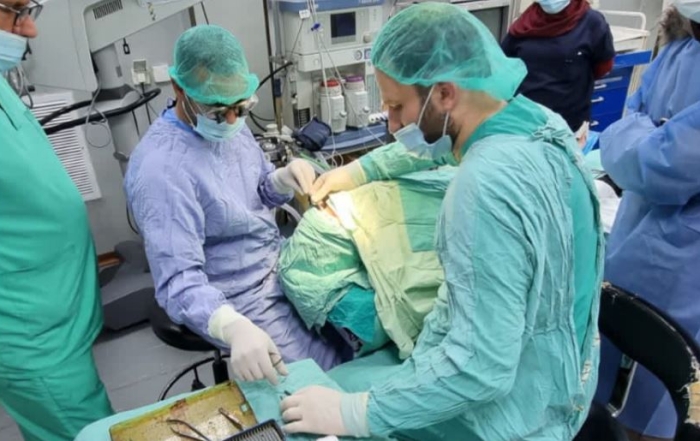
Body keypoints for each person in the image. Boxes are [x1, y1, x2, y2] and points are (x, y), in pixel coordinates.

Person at [278, 3, 605, 440]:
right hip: (561, 379)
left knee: (307, 406)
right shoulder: (537, 121)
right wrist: (360, 170)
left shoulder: (484, 186)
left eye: (396, 106)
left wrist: (354, 413)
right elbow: (431, 144)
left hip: (513, 421)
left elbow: (480, 369)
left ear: (446, 93)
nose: (392, 124)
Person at [124, 25, 344, 386]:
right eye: (217, 110)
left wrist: (281, 179)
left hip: (278, 262)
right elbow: (179, 282)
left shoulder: (230, 122)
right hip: (235, 295)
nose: (230, 120)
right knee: (320, 378)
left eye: (240, 108)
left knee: (357, 327)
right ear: (179, 89)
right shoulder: (161, 170)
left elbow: (257, 192)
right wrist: (233, 327)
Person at [0, 1, 114, 440]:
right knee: (88, 433)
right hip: (31, 340)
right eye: (14, 11)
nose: (30, 30)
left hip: (57, 315)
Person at [595, 2, 700, 440]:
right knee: (608, 367)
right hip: (637, 232)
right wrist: (648, 137)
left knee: (665, 388)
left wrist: (647, 134)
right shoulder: (680, 50)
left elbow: (659, 165)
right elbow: (626, 131)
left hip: (685, 261)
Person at [502, 0, 615, 147]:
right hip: (524, 125)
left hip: (569, 128)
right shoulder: (525, 23)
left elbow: (603, 67)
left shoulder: (591, 23)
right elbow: (505, 64)